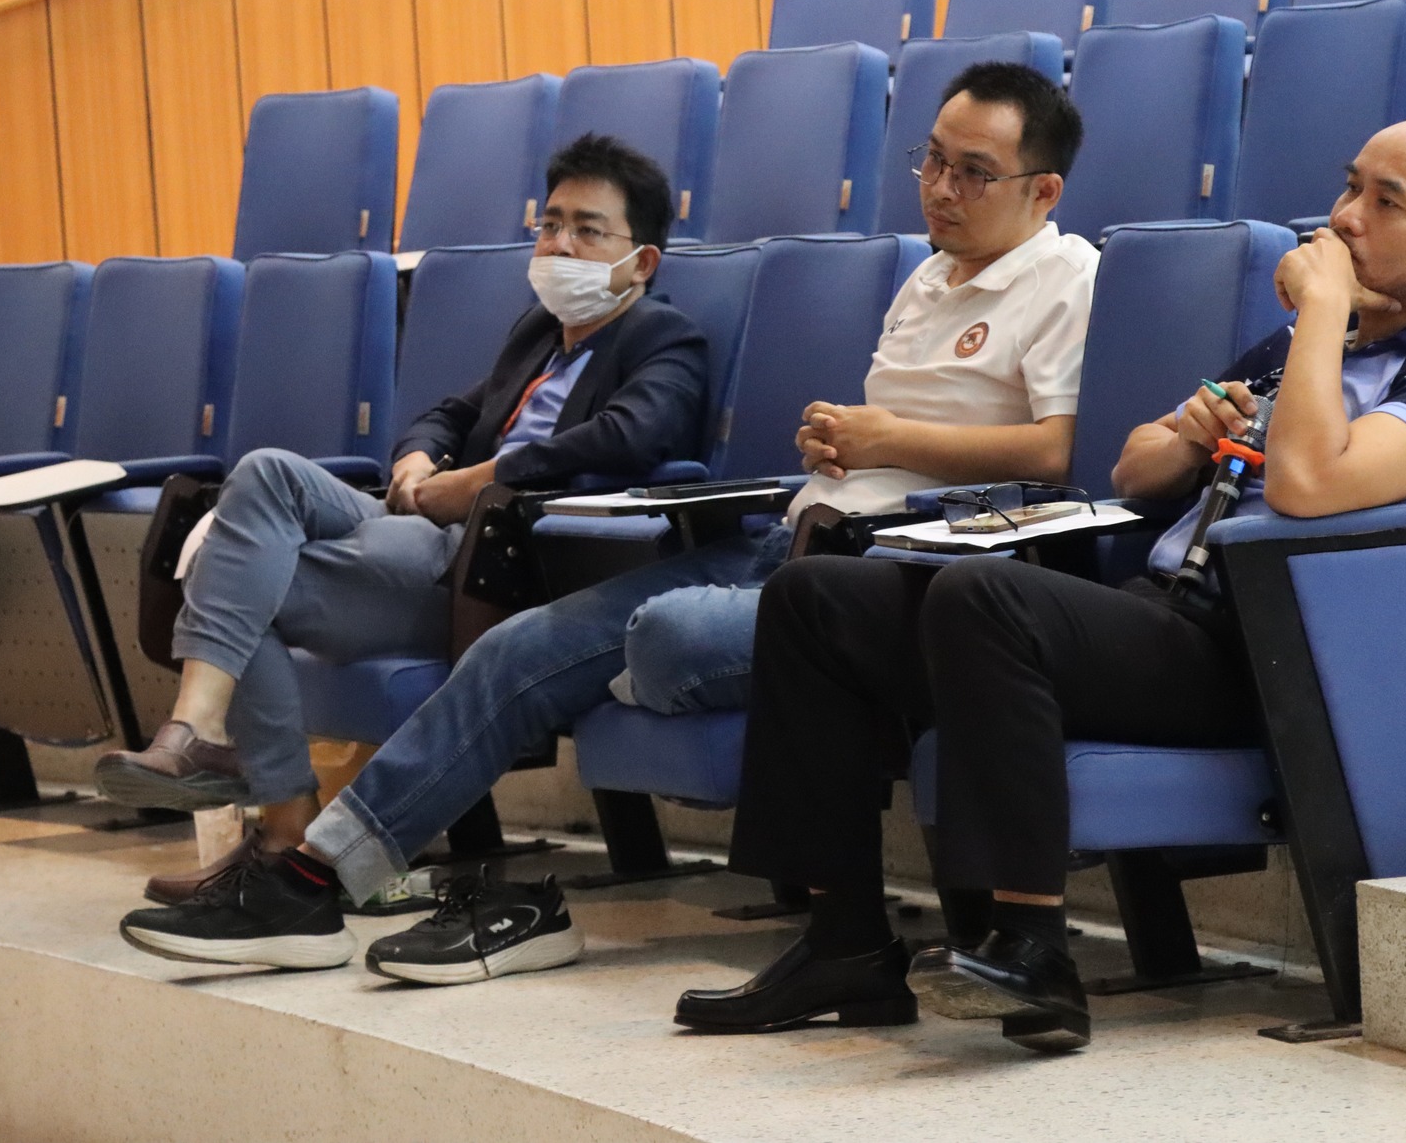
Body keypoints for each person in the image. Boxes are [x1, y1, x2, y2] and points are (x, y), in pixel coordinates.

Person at [115, 62, 1105, 980]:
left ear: (1043, 189)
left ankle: (622, 689)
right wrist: (844, 445)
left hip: (890, 570)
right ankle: (309, 880)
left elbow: (1057, 453)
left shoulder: (1064, 277)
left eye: (973, 172)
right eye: (932, 159)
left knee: (661, 635)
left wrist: (888, 438)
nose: (939, 187)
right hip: (791, 538)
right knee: (516, 646)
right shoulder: (928, 278)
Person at [674, 118, 1406, 1053]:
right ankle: (844, 944)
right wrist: (1195, 434)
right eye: (1350, 185)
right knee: (818, 598)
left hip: (1276, 654)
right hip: (1165, 614)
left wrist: (1322, 310)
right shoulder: (1296, 347)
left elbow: (1309, 483)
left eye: (1385, 202)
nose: (1345, 217)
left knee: (984, 596)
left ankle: (1033, 948)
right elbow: (1134, 467)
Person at [94, 133, 708, 907]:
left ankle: (269, 816)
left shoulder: (664, 336)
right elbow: (452, 412)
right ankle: (199, 733)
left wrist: (476, 484)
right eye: (551, 224)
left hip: (485, 556)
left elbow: (630, 435)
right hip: (417, 521)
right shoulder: (538, 333)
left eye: (588, 230)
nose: (559, 244)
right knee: (264, 473)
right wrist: (418, 460)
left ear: (641, 261)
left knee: (232, 576)